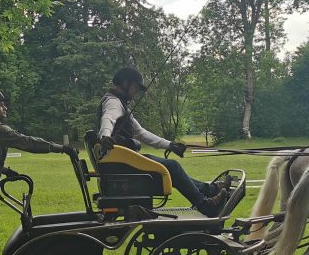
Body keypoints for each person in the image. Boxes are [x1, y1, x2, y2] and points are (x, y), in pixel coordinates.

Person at [0, 89, 76, 255]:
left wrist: (5, 171)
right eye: (1, 105)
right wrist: (60, 148)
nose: (5, 107)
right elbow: (27, 142)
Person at [96, 67, 230, 215]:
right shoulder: (113, 102)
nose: (136, 92)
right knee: (172, 166)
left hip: (125, 163)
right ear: (125, 83)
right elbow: (108, 118)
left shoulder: (121, 105)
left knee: (172, 168)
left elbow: (141, 133)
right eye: (135, 87)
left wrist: (170, 145)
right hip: (123, 166)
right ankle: (205, 205)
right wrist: (104, 136)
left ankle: (209, 190)